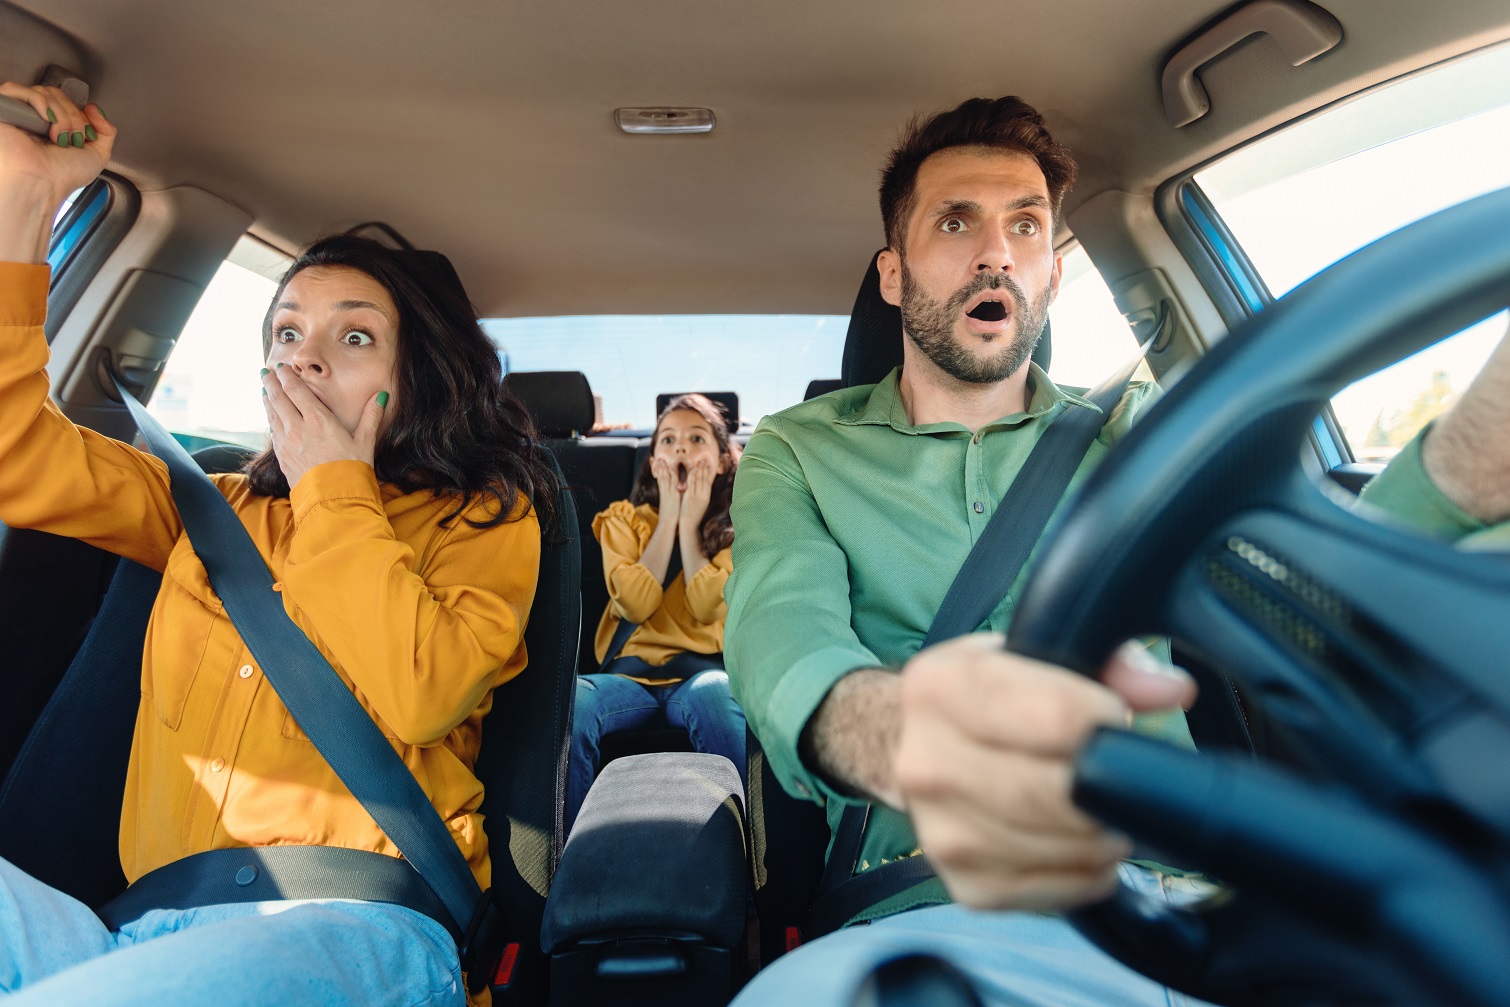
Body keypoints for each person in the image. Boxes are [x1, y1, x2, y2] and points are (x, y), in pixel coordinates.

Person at [722, 94, 1510, 1006]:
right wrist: (898, 733)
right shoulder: (797, 449)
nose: (996, 252)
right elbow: (779, 629)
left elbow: (1311, 596)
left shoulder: (1141, 434)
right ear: (893, 276)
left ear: (1054, 276)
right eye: (956, 221)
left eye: (1025, 226)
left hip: (1187, 906)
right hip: (928, 897)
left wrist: (1465, 462)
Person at [0, 83, 558, 1006]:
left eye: (353, 336)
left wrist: (332, 483)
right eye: (288, 332)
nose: (305, 356)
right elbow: (18, 455)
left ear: (416, 378)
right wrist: (27, 194)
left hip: (359, 925)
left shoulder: (487, 517)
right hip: (132, 926)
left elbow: (422, 691)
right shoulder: (204, 504)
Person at [567, 393, 747, 829]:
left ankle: (750, 855)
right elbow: (638, 602)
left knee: (715, 697)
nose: (680, 448)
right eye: (667, 440)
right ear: (652, 461)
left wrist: (691, 526)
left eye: (696, 438)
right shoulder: (623, 521)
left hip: (702, 674)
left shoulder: (737, 527)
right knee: (574, 703)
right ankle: (562, 854)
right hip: (629, 679)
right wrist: (668, 521)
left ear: (723, 461)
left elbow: (708, 606)